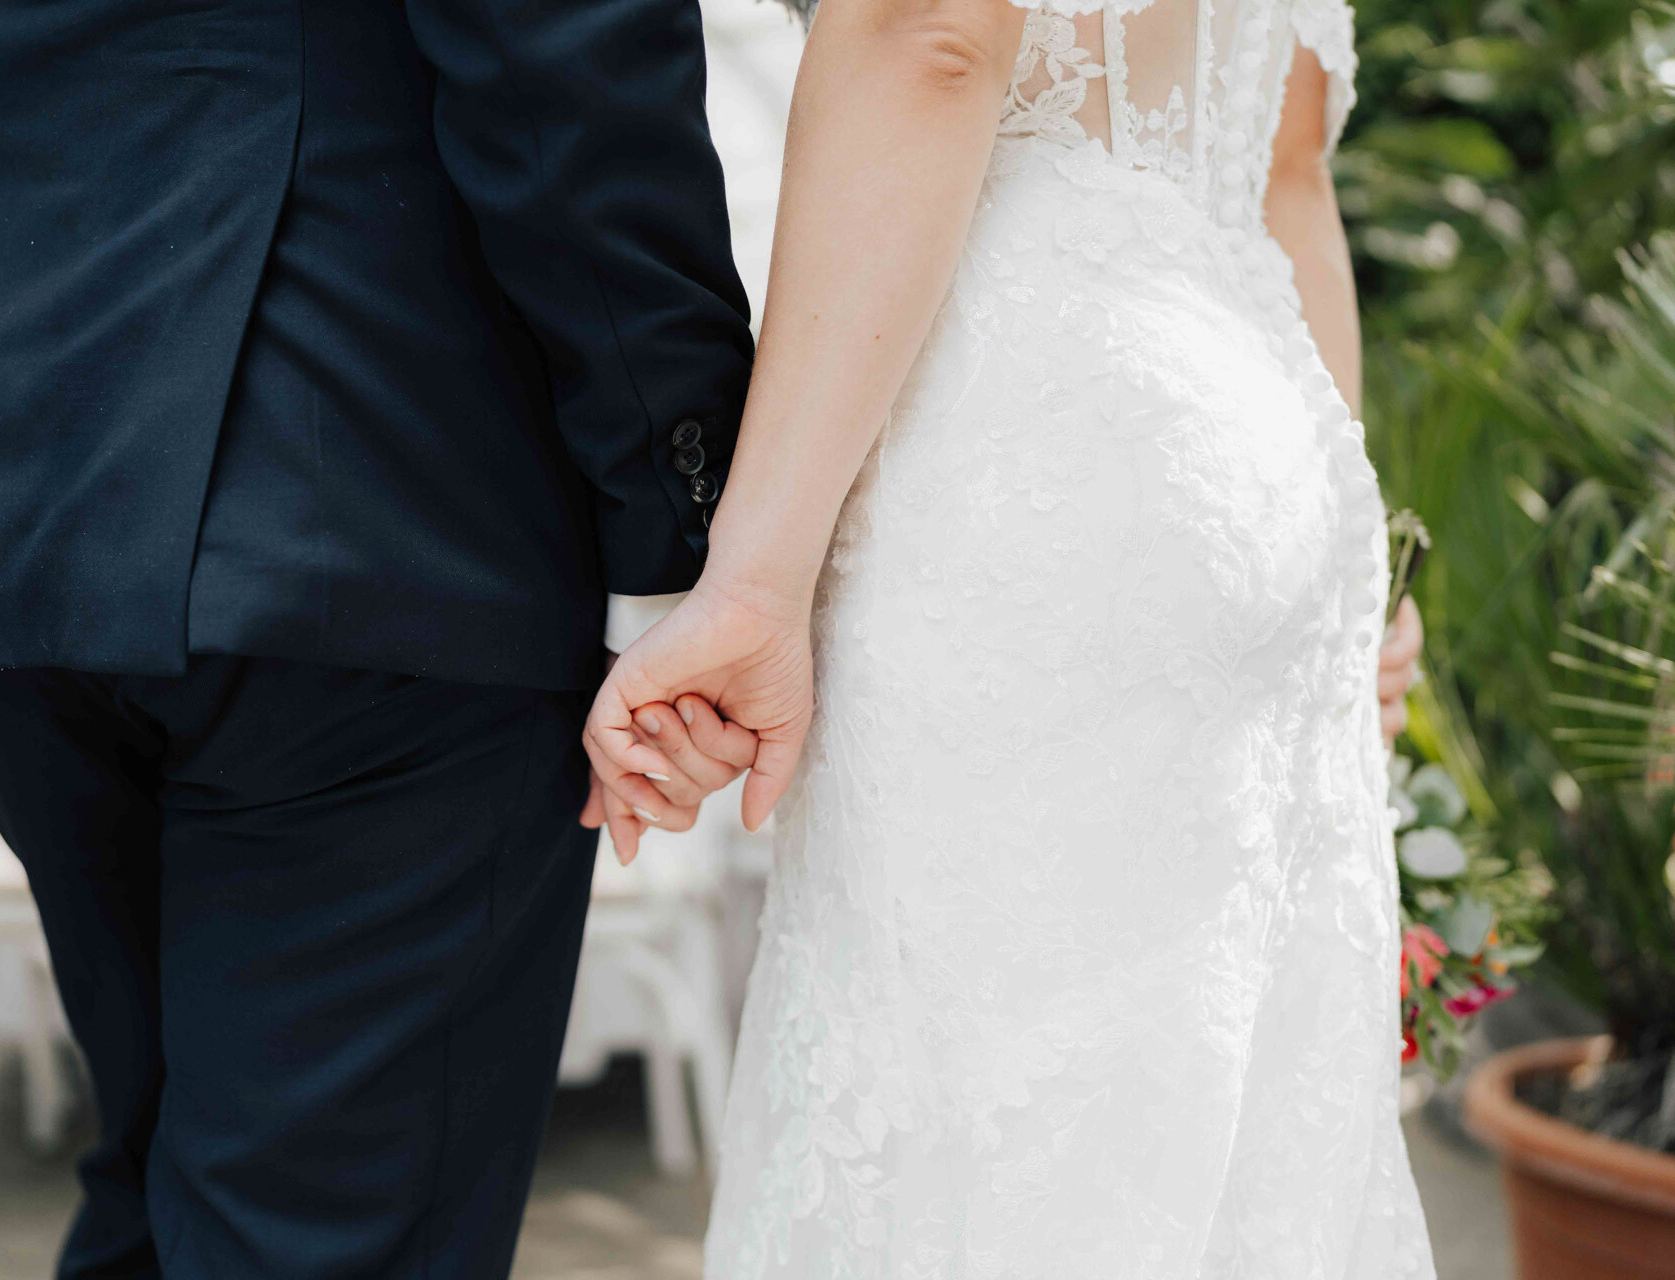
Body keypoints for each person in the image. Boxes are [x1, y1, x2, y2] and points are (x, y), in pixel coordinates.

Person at [0, 1, 754, 1276]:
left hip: (12, 482)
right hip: (359, 493)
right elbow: (559, 54)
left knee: (167, 1179)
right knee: (306, 1222)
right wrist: (694, 528)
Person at [587, 0, 1440, 1273]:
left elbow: (927, 31)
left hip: (1035, 464)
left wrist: (752, 583)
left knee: (997, 1148)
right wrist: (1338, 561)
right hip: (1258, 425)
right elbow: (1290, 164)